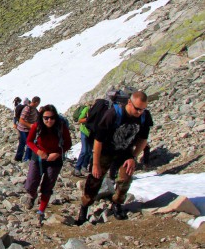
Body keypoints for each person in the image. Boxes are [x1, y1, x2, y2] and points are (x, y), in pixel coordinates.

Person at [76, 91, 153, 224]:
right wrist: (95, 164)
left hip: (125, 152)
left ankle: (117, 204)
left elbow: (143, 139)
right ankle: (85, 206)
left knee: (125, 179)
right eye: (137, 109)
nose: (139, 112)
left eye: (143, 109)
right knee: (95, 179)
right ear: (129, 102)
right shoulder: (113, 114)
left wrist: (133, 157)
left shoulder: (144, 117)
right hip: (105, 151)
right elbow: (98, 140)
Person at [24, 104, 72, 226]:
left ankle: (41, 211)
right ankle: (32, 195)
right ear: (42, 118)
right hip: (39, 157)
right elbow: (29, 141)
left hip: (55, 159)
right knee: (30, 184)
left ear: (56, 118)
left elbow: (68, 143)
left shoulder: (61, 127)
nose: (49, 120)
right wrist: (38, 151)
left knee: (47, 186)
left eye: (52, 118)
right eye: (46, 118)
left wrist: (57, 153)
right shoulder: (37, 126)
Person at [15, 96, 40, 162]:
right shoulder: (27, 109)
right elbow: (21, 120)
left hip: (29, 129)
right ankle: (21, 158)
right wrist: (30, 125)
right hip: (23, 129)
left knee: (28, 143)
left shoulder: (34, 109)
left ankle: (25, 158)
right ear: (36, 102)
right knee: (25, 143)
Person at [73, 104, 92, 177]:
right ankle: (77, 168)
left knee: (90, 151)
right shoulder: (87, 109)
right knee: (84, 151)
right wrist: (88, 119)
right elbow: (80, 120)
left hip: (91, 133)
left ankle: (84, 167)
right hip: (84, 131)